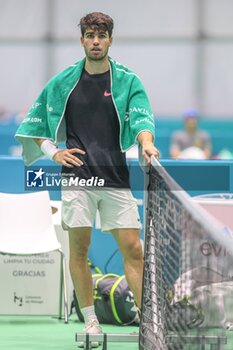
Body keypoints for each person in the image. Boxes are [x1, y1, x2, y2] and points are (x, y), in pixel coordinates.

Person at [15, 12, 159, 347]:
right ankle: (91, 322)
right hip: (78, 178)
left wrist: (147, 142)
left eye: (102, 35)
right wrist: (54, 154)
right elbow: (34, 126)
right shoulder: (64, 81)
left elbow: (141, 118)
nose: (96, 41)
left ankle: (146, 321)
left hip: (115, 175)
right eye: (90, 35)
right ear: (82, 40)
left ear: (111, 40)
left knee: (134, 250)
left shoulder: (126, 80)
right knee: (79, 250)